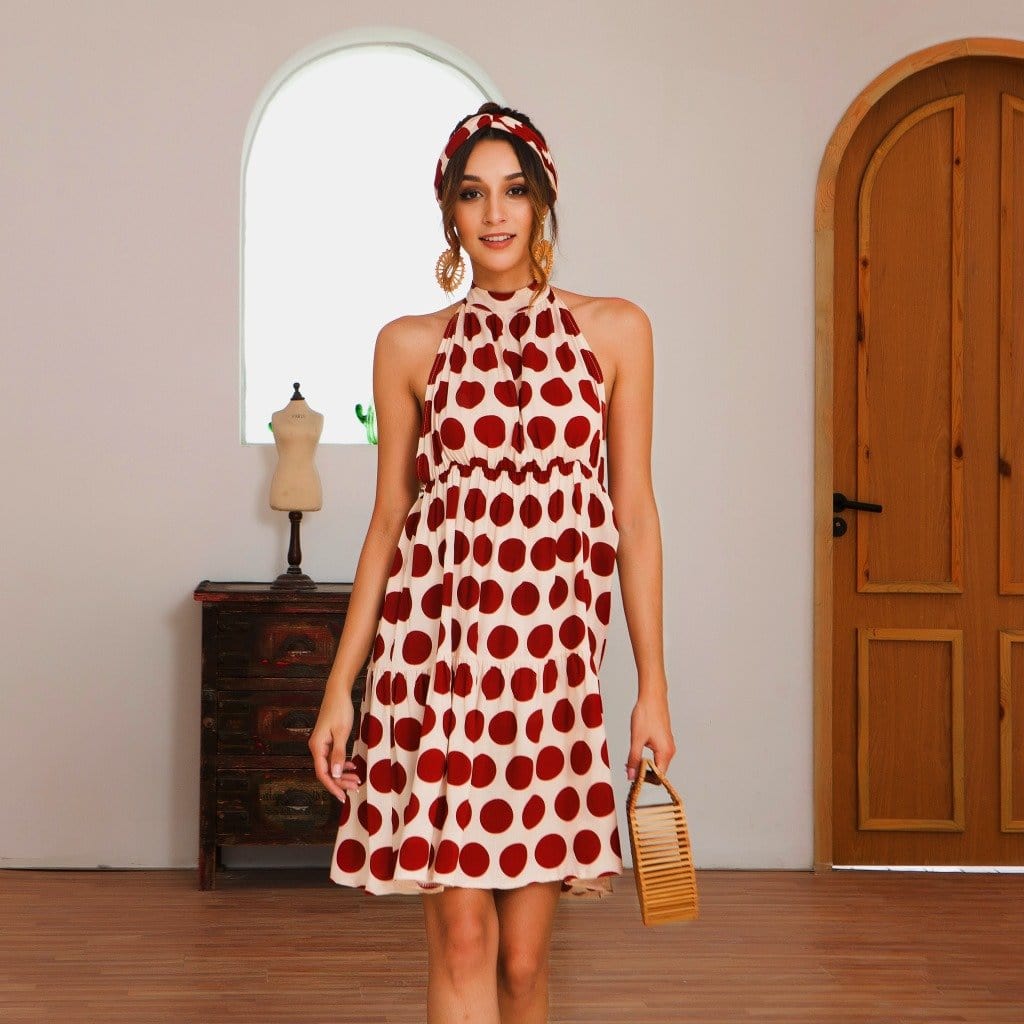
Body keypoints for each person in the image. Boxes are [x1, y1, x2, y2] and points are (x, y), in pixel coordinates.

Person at [309, 102, 673, 1024]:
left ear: (543, 202)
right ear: (450, 214)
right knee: (464, 941)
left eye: (514, 191)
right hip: (434, 670)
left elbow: (634, 514)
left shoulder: (616, 330)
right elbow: (388, 522)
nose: (496, 213)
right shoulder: (409, 344)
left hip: (549, 682)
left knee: (522, 961)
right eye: (473, 194)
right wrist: (340, 689)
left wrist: (653, 688)